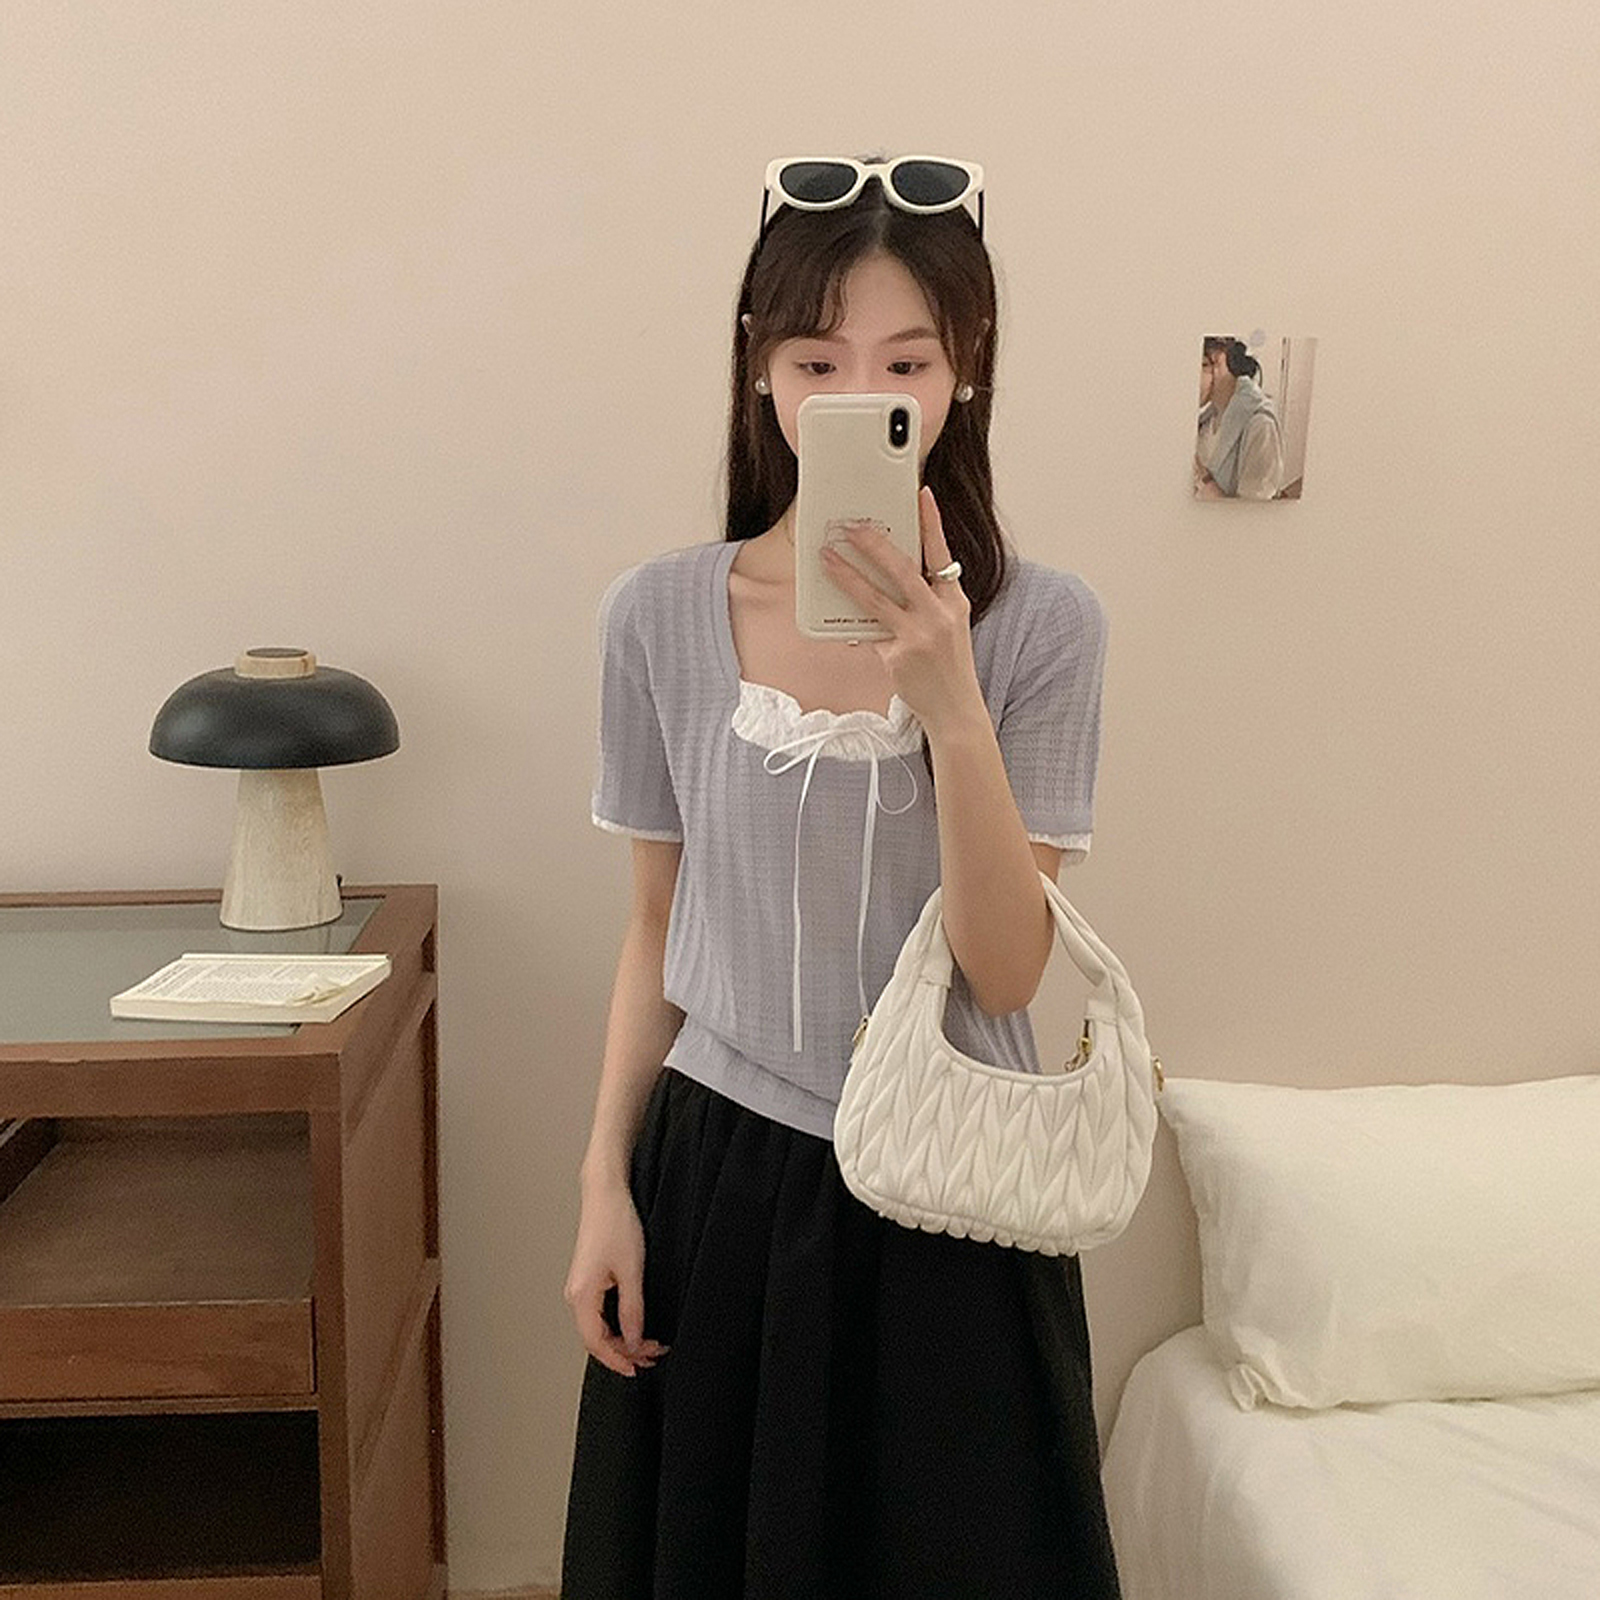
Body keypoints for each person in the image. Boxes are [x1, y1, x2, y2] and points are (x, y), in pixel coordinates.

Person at [561, 153, 1122, 1599]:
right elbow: (655, 923)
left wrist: (951, 703)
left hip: (955, 1191)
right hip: (720, 1181)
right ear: (759, 369)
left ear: (964, 372)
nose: (857, 395)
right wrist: (604, 1180)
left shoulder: (1043, 627)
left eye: (904, 363)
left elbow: (1005, 970)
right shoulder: (657, 617)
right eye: (817, 360)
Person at [1195, 335, 1284, 499]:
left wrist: (1204, 480)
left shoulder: (1260, 424)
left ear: (1217, 360)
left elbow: (1254, 509)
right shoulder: (1207, 420)